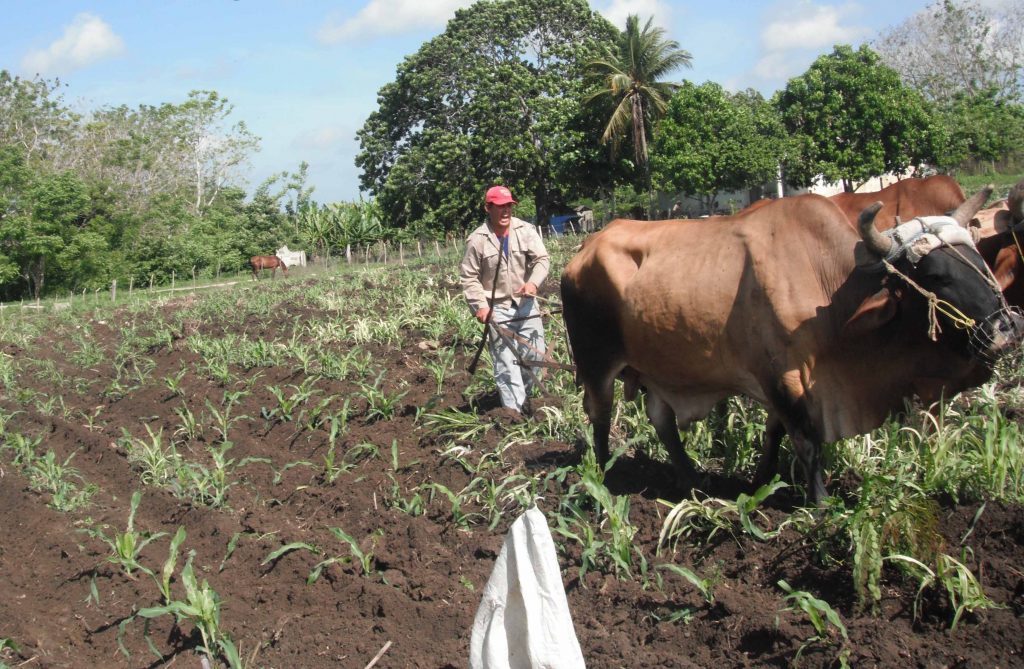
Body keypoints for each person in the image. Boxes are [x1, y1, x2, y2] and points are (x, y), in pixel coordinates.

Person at [460, 185, 550, 414]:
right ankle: (514, 414)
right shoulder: (478, 240)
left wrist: (533, 283)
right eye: (500, 207)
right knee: (506, 364)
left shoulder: (526, 230)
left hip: (527, 303)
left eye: (508, 205)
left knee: (534, 356)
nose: (506, 211)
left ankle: (528, 401)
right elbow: (469, 277)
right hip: (498, 308)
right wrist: (480, 306)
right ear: (488, 208)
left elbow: (542, 259)